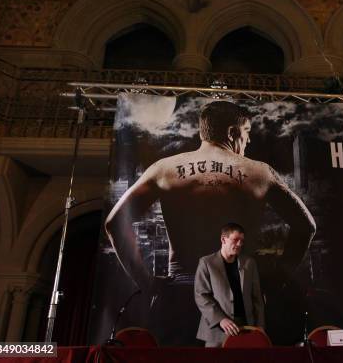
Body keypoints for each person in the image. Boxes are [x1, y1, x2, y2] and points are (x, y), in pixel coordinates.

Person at [104, 100, 316, 344]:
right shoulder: (259, 173)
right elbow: (306, 227)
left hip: (179, 295)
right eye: (247, 133)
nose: (249, 141)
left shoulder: (164, 169)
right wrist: (276, 279)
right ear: (232, 132)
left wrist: (147, 283)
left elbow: (114, 224)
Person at [195, 223, 264, 347]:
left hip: (247, 329)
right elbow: (201, 295)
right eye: (235, 240)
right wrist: (220, 319)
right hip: (217, 330)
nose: (239, 244)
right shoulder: (206, 262)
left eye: (242, 241)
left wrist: (260, 327)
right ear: (223, 239)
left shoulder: (249, 263)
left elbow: (257, 298)